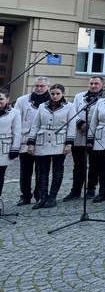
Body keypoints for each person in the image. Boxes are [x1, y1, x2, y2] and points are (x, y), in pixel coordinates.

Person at [26, 83, 76, 209]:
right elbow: (36, 125)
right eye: (53, 94)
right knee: (42, 171)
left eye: (58, 94)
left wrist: (69, 143)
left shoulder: (69, 107)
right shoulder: (43, 106)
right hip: (43, 140)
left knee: (57, 170)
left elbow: (71, 126)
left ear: (63, 94)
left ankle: (53, 197)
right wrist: (31, 143)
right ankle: (43, 197)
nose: (55, 96)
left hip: (59, 141)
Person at [64, 76, 103, 201]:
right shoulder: (79, 96)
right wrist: (80, 124)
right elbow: (72, 112)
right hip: (80, 134)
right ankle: (76, 190)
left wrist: (91, 126)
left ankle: (91, 188)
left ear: (102, 84)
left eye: (96, 83)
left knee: (95, 164)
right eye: (91, 83)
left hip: (96, 135)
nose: (93, 86)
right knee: (79, 164)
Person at [14, 77, 49, 205]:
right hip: (25, 139)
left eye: (42, 86)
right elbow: (17, 121)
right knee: (25, 170)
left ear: (48, 87)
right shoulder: (22, 100)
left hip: (44, 140)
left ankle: (40, 194)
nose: (39, 88)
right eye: (37, 86)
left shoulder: (52, 100)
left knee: (42, 170)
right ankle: (25, 195)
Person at [0, 89, 22, 202]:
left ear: (7, 99)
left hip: (3, 147)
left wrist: (15, 148)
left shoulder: (14, 113)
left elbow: (17, 132)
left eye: (1, 99)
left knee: (0, 175)